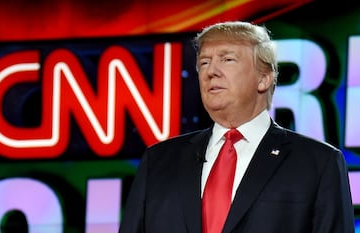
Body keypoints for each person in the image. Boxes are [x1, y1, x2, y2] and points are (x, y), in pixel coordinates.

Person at [118, 21, 354, 233]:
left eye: (227, 59)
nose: (211, 71)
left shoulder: (318, 162)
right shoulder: (159, 161)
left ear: (264, 78)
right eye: (205, 62)